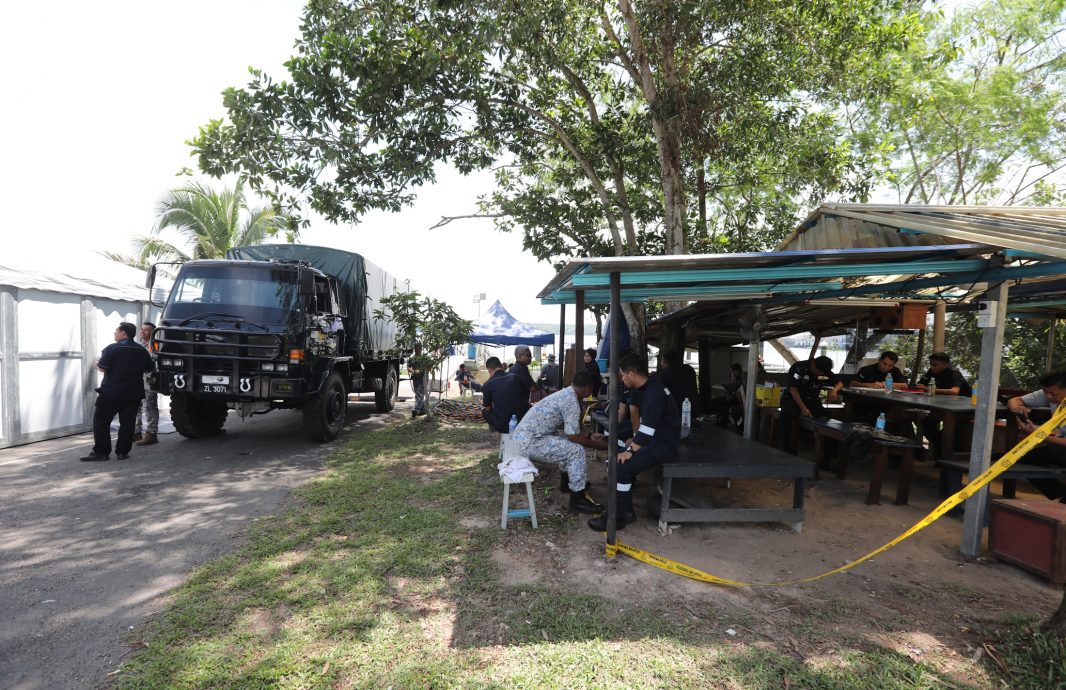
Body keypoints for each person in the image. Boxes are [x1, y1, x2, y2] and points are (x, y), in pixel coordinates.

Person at [588, 353, 681, 531]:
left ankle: (617, 517)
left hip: (664, 445)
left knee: (621, 467)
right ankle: (625, 510)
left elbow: (648, 429)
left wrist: (630, 450)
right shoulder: (646, 387)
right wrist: (631, 439)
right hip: (654, 440)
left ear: (631, 374)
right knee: (616, 458)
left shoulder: (654, 392)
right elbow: (640, 423)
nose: (622, 379)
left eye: (622, 375)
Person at [511, 371, 606, 514]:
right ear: (589, 387)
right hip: (530, 442)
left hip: (526, 437)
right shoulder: (571, 401)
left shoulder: (567, 393)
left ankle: (567, 483)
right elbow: (573, 437)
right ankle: (577, 500)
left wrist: (590, 435)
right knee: (576, 450)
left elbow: (575, 426)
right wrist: (598, 446)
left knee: (565, 443)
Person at [80, 323, 154, 461]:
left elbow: (102, 367)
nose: (115, 333)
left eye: (116, 331)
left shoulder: (112, 348)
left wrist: (95, 364)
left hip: (111, 392)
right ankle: (122, 452)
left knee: (101, 421)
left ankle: (101, 452)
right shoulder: (141, 350)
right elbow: (149, 368)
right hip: (133, 393)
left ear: (123, 333)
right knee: (128, 422)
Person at [1006, 371, 1066, 501]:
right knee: (1018, 457)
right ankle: (1060, 494)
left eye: (1054, 394)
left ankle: (1060, 495)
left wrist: (1040, 435)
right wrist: (1018, 408)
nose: (1048, 397)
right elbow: (1015, 400)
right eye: (1046, 392)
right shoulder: (1049, 393)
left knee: (1017, 457)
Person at [776, 355, 843, 453]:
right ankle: (785, 448)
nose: (820, 374)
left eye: (822, 373)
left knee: (829, 419)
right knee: (787, 414)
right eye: (819, 372)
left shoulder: (824, 370)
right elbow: (793, 389)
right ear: (814, 364)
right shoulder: (799, 368)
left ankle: (829, 455)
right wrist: (803, 408)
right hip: (794, 399)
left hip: (812, 401)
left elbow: (840, 383)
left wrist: (834, 390)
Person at [918, 352, 972, 458]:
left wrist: (929, 389)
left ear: (945, 364)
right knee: (926, 423)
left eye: (935, 365)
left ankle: (945, 455)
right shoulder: (931, 372)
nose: (932, 367)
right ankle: (940, 450)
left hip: (962, 409)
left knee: (949, 429)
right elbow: (921, 385)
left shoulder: (954, 373)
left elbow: (954, 391)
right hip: (944, 406)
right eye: (931, 364)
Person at [481, 357, 530, 433]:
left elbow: (488, 408)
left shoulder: (487, 384)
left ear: (489, 370)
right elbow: (526, 397)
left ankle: (495, 429)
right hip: (523, 421)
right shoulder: (517, 377)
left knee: (484, 411)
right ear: (501, 366)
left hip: (504, 426)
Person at [134, 322, 160, 445]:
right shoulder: (137, 345)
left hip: (150, 377)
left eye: (146, 330)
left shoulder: (156, 345)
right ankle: (136, 433)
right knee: (135, 405)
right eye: (141, 330)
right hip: (137, 378)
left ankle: (151, 433)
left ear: (153, 332)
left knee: (149, 405)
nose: (142, 332)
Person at [659, 351, 698, 418]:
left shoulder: (666, 373)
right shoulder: (689, 369)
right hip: (693, 409)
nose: (661, 364)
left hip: (675, 412)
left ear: (666, 362)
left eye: (662, 362)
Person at [710, 363, 745, 428]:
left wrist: (726, 386)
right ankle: (721, 420)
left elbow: (735, 387)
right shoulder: (736, 378)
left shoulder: (742, 378)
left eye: (732, 372)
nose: (732, 374)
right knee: (717, 401)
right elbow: (733, 387)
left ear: (737, 371)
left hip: (739, 400)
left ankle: (723, 421)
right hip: (733, 398)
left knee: (721, 402)